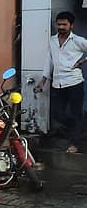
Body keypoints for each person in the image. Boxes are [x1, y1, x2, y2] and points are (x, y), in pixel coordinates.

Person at [35, 11, 87, 154]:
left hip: (74, 82)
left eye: (64, 24)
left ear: (71, 25)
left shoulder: (77, 40)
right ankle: (79, 129)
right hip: (57, 83)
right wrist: (43, 80)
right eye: (59, 24)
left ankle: (76, 143)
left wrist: (83, 61)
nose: (61, 27)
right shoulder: (52, 40)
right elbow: (49, 60)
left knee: (76, 113)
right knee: (57, 113)